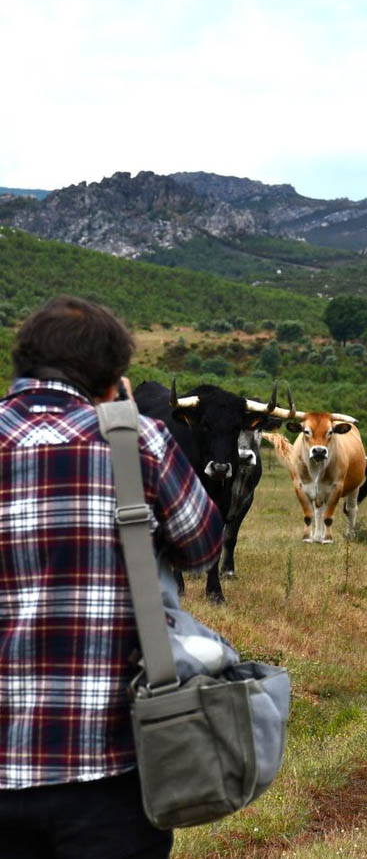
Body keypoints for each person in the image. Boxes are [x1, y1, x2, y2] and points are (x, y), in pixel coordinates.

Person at [0, 296, 225, 859]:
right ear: (112, 378)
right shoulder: (138, 440)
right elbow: (203, 546)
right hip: (111, 767)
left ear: (22, 363)